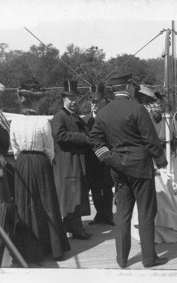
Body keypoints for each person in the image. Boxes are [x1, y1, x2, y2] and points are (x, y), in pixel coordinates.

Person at [89, 74, 169, 268]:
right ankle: (149, 258)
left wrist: (110, 159)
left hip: (118, 169)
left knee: (122, 215)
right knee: (146, 214)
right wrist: (161, 162)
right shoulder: (138, 109)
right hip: (141, 169)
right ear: (128, 87)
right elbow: (151, 141)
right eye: (133, 86)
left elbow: (95, 141)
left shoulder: (103, 113)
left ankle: (122, 259)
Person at [10, 78, 70, 262]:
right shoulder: (43, 122)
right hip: (41, 161)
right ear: (36, 101)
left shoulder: (15, 122)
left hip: (22, 162)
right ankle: (53, 248)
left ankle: (27, 250)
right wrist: (44, 162)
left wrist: (22, 161)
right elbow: (49, 149)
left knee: (25, 204)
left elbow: (15, 148)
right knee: (47, 203)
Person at [130, 85, 177, 243]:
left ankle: (153, 230)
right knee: (161, 192)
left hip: (145, 156)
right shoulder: (156, 114)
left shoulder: (142, 113)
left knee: (150, 195)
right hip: (156, 154)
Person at [51, 81, 92, 240]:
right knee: (73, 196)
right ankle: (77, 229)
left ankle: (71, 226)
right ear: (63, 99)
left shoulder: (73, 116)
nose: (74, 101)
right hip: (67, 163)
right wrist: (82, 138)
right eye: (70, 98)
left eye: (76, 98)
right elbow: (60, 135)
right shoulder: (59, 116)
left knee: (74, 195)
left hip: (75, 161)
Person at [82, 85, 115, 226]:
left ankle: (108, 216)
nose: (95, 105)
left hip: (106, 159)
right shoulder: (84, 120)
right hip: (92, 161)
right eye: (92, 102)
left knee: (107, 188)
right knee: (95, 189)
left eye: (97, 102)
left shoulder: (110, 118)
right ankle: (99, 215)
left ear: (104, 101)